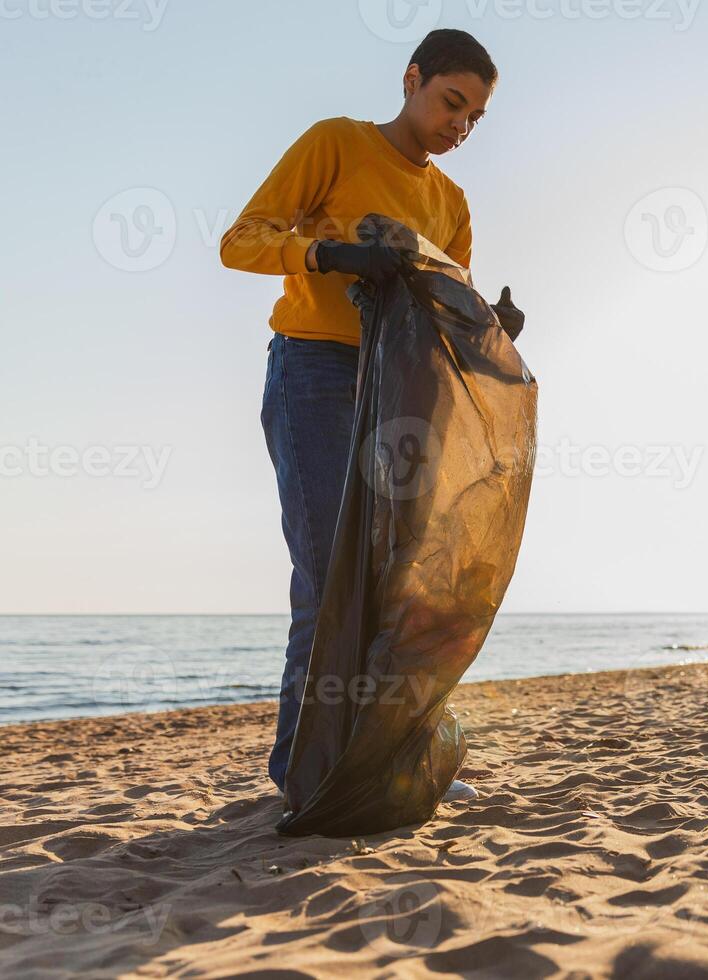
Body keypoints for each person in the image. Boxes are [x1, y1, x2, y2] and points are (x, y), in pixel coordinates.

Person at [219, 30, 519, 802]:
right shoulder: (337, 144)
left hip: (398, 391)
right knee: (327, 581)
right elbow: (239, 241)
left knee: (400, 583)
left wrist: (492, 325)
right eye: (452, 102)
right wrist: (327, 256)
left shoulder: (450, 203)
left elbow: (441, 307)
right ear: (412, 79)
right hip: (314, 373)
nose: (460, 126)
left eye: (475, 117)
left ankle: (384, 759)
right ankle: (303, 774)